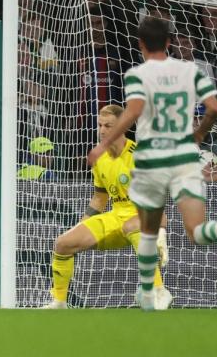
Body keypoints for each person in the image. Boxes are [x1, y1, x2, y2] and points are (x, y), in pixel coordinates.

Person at [86, 16, 217, 311]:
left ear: (140, 45)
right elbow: (215, 107)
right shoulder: (191, 70)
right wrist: (199, 134)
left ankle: (151, 293)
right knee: (196, 231)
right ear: (169, 42)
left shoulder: (139, 74)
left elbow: (132, 112)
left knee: (147, 229)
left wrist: (103, 143)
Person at [47, 104, 172, 310]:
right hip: (115, 215)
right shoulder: (99, 157)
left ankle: (159, 290)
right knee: (63, 243)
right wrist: (82, 224)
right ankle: (59, 302)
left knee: (132, 225)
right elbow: (99, 199)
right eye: (100, 125)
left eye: (109, 126)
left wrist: (160, 231)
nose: (103, 130)